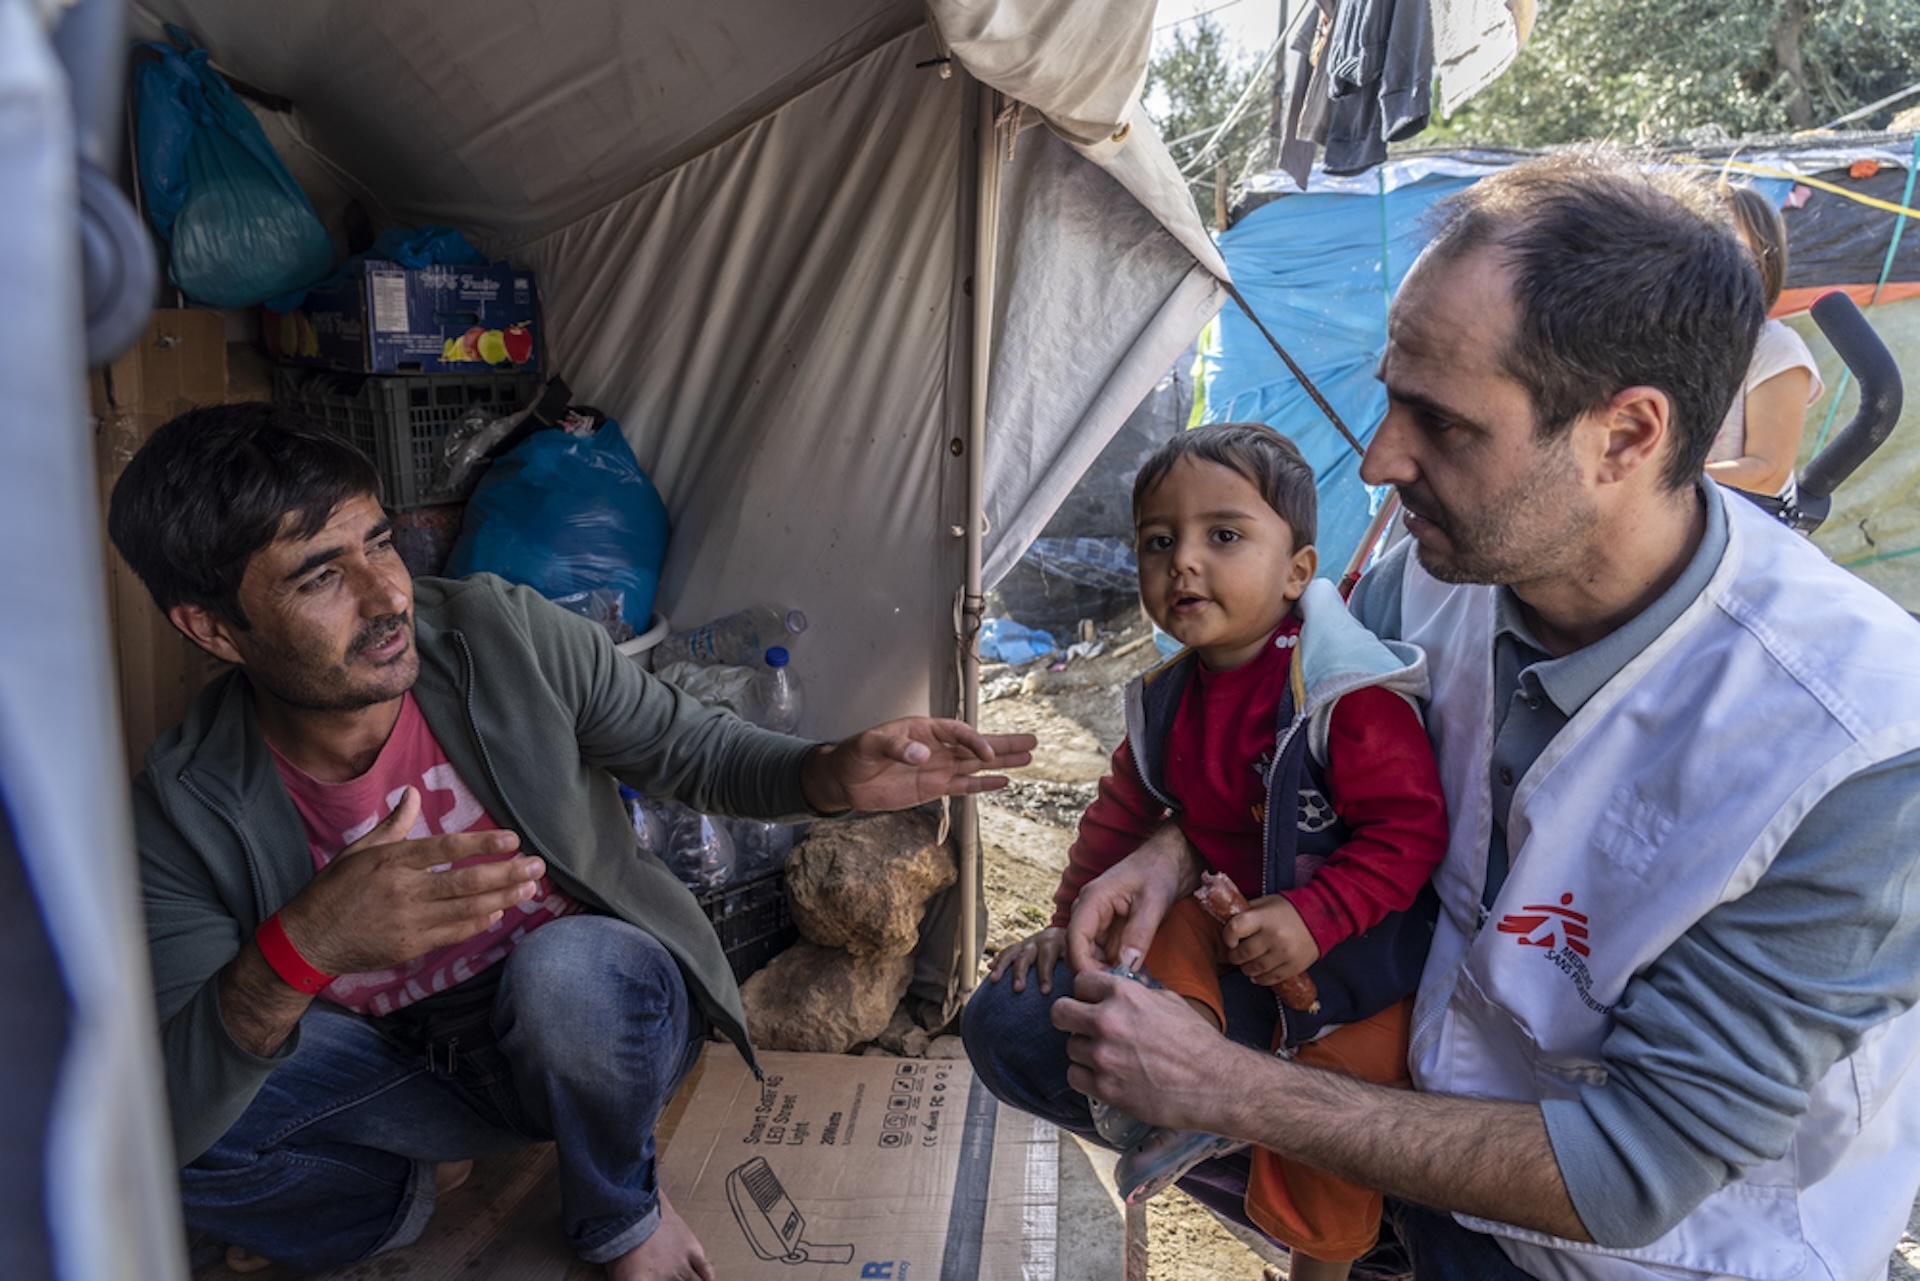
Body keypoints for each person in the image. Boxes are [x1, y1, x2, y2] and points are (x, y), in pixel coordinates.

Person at [1048, 149, 1920, 1280]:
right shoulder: (1427, 580)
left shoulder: (1857, 741)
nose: (1379, 460)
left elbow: (1634, 1168)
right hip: (1427, 1116)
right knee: (1039, 1029)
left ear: (1626, 436)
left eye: (1442, 424)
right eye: (1391, 397)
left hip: (1639, 1253)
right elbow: (1291, 736)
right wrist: (1169, 848)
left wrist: (1229, 1088)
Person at [107, 403, 1035, 1281]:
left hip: (598, 1023)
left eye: (380, 542)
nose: (387, 595)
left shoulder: (498, 633)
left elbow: (688, 746)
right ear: (214, 628)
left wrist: (826, 771)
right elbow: (179, 1095)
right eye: (320, 575)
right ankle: (401, 1190)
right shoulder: (182, 806)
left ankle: (618, 1205)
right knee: (126, 1134)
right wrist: (304, 945)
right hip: (401, 1074)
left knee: (568, 974)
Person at [965, 424, 1448, 1279]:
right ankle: (1185, 1095)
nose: (1183, 561)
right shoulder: (1168, 700)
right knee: (1151, 938)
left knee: (1332, 1116)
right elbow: (1120, 820)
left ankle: (1327, 1267)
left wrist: (1313, 915)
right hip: (1234, 930)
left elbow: (1409, 832)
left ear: (1297, 571)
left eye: (1223, 534)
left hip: (1364, 966)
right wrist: (1067, 921)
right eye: (1159, 541)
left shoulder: (1342, 695)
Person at [1704, 183, 1824, 502]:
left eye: (1732, 250)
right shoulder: (1664, 343)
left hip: (1739, 521)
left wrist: (1661, 485)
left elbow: (1767, 473)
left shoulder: (1773, 348)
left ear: (1763, 267)